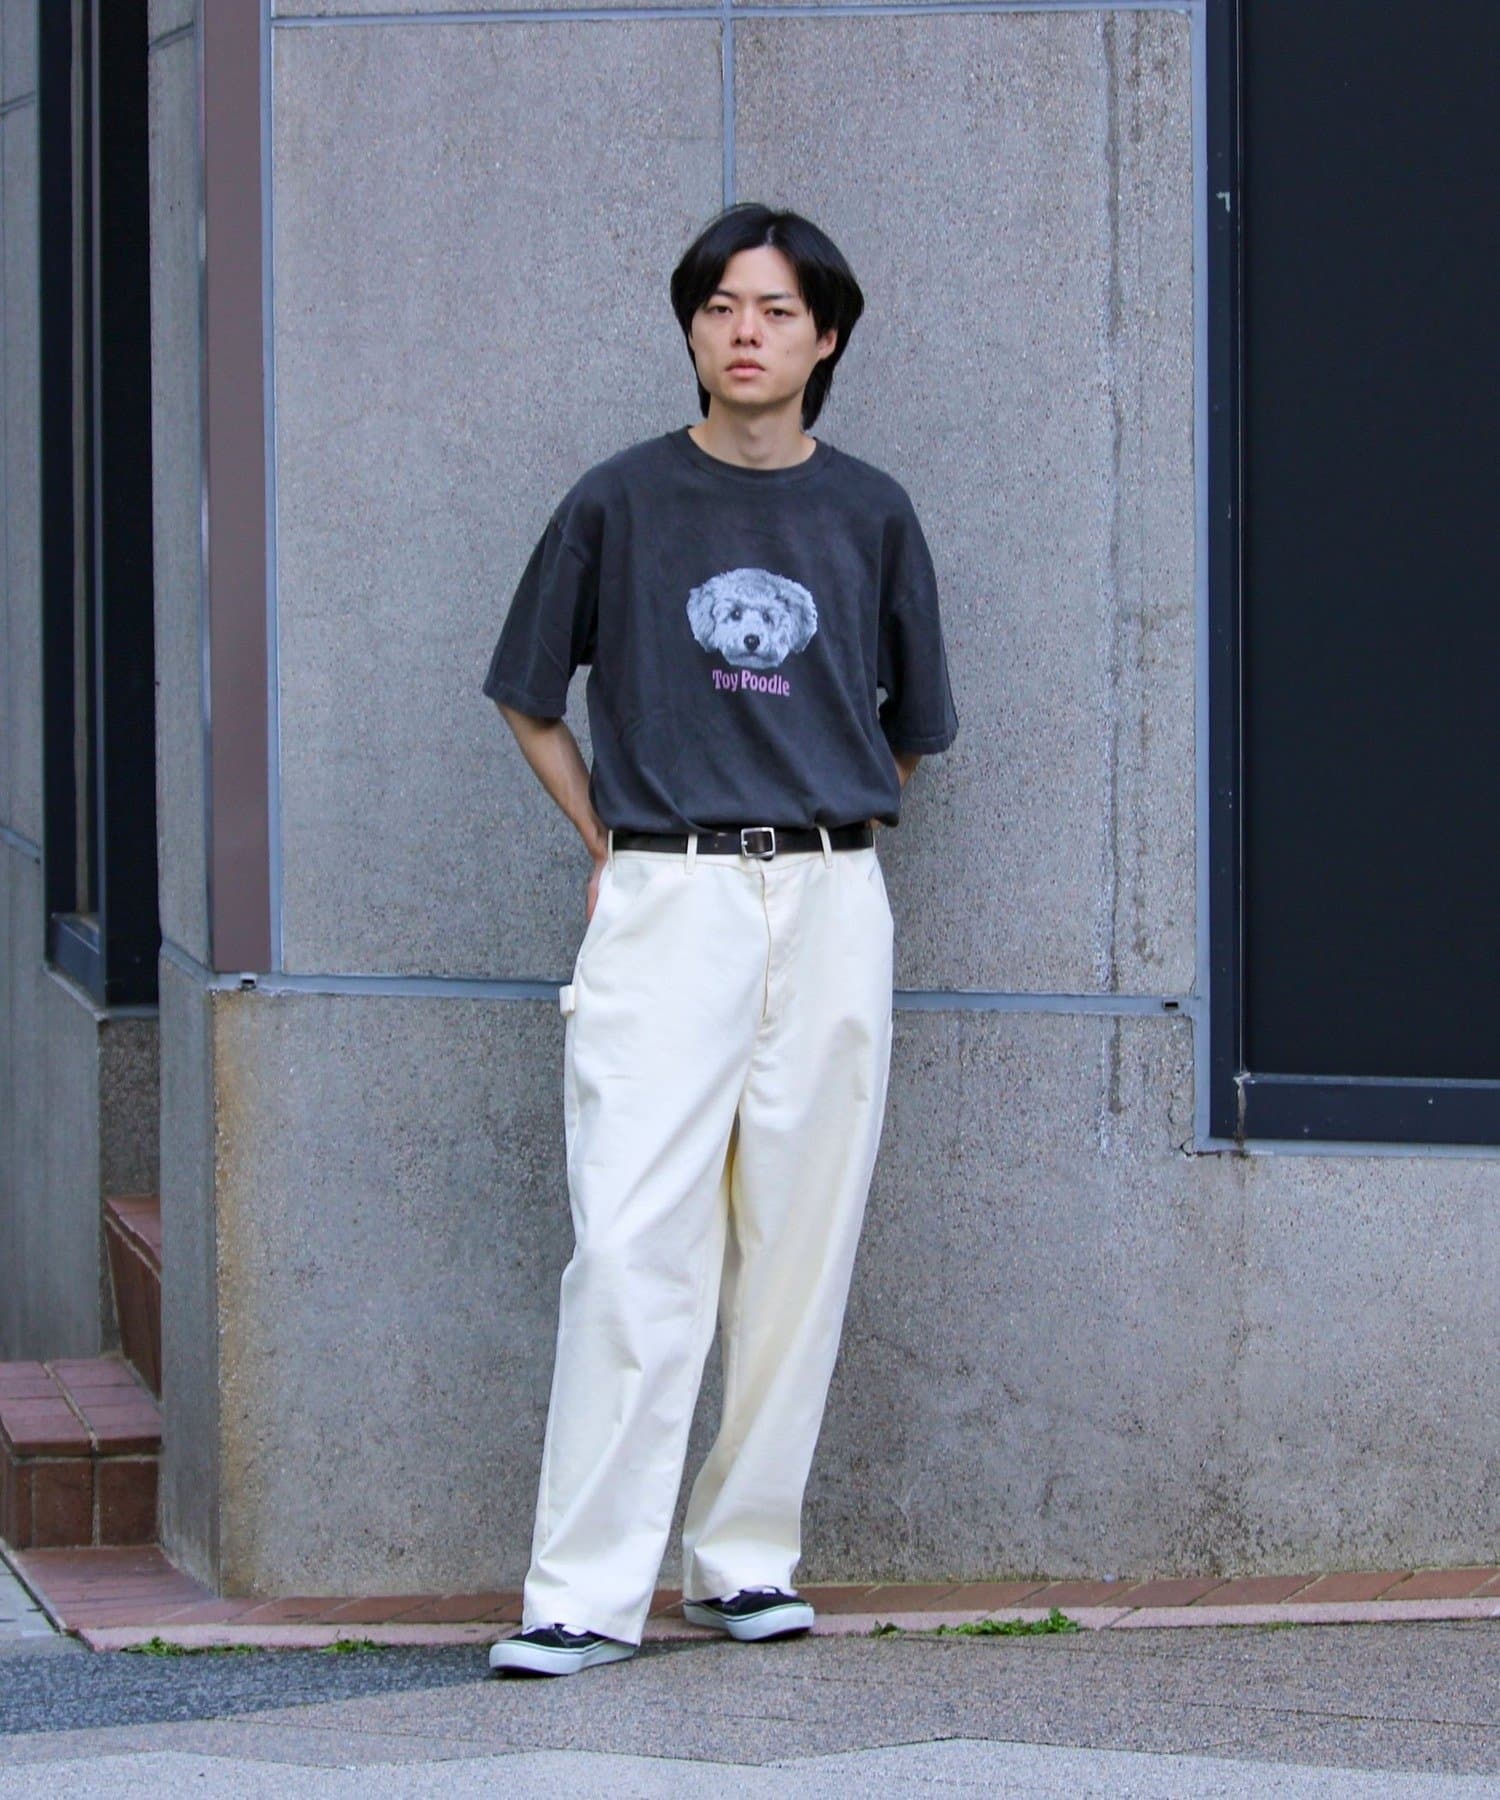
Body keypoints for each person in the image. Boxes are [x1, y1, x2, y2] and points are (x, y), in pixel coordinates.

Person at [482, 202, 958, 1678]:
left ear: (827, 337)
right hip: (667, 898)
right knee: (633, 1242)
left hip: (830, 898)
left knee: (799, 1244)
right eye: (719, 308)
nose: (744, 334)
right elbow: (527, 695)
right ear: (691, 329)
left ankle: (745, 1563)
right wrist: (610, 845)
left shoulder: (871, 512)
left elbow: (910, 732)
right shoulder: (618, 501)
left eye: (775, 311)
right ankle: (581, 1591)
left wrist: (819, 836)